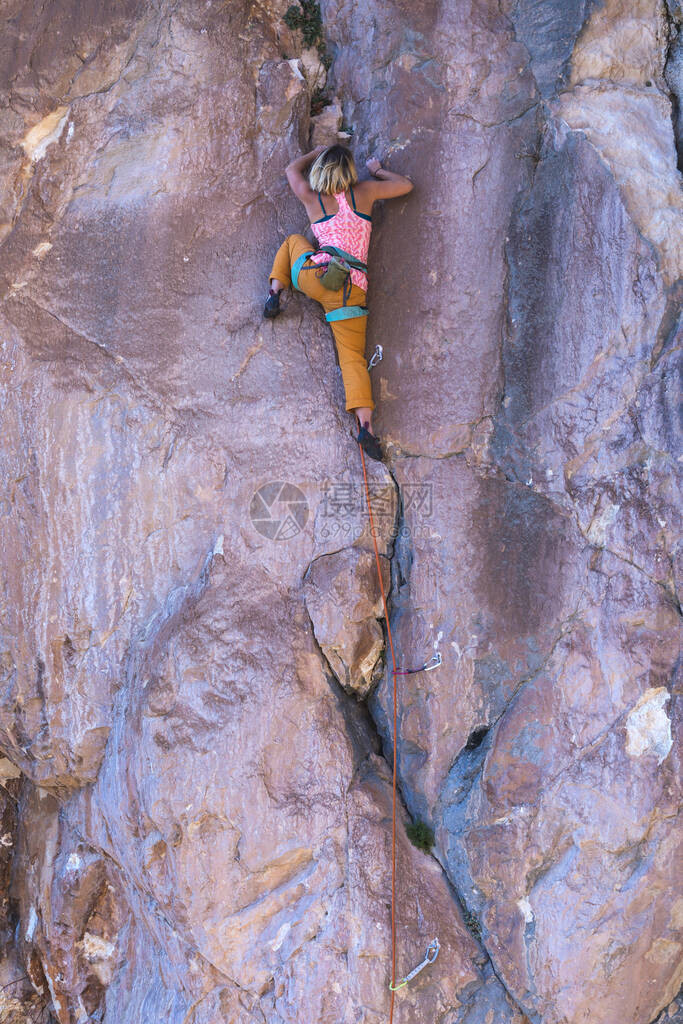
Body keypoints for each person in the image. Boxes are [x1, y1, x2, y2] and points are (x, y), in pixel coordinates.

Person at [264, 143, 414, 462]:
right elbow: (406, 186)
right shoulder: (365, 192)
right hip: (351, 291)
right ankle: (366, 427)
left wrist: (313, 151)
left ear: (321, 170)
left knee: (293, 241)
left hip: (314, 276)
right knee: (352, 360)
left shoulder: (312, 197)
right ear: (349, 172)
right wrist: (378, 170)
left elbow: (291, 169)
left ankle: (275, 292)